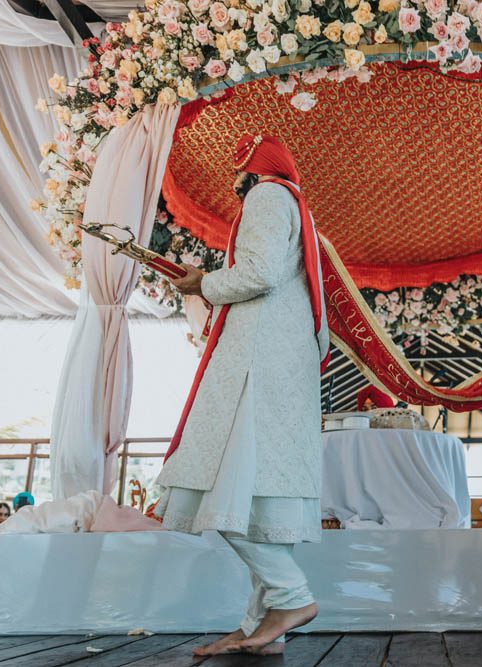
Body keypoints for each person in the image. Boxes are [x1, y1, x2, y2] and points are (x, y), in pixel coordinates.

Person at [156, 134, 329, 657]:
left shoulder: (268, 196)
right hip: (278, 361)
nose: (233, 182)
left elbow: (258, 272)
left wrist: (201, 283)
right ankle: (260, 627)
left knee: (211, 483)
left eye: (237, 170)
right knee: (263, 502)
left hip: (256, 363)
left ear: (253, 170)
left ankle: (292, 596)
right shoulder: (291, 205)